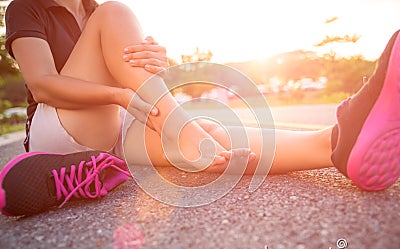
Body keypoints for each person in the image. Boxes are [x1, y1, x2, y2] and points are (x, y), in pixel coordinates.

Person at [0, 0, 399, 216]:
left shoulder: (91, 7)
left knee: (220, 138)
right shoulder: (26, 6)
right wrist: (122, 95)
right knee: (116, 14)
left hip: (114, 129)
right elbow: (43, 84)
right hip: (57, 134)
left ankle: (336, 144)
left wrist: (153, 63)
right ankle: (187, 132)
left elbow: (129, 78)